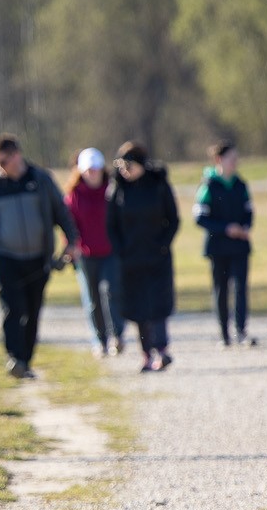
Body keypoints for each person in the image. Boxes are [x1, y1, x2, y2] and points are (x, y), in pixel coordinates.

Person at [0, 134, 78, 379]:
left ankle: (26, 360)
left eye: (3, 162)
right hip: (5, 259)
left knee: (32, 310)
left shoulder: (40, 180)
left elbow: (61, 212)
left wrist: (72, 241)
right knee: (12, 309)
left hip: (38, 260)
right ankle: (15, 358)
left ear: (17, 155)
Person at [106, 141, 179, 372]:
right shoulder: (117, 189)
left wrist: (163, 244)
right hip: (130, 258)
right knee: (138, 308)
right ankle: (146, 354)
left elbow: (173, 219)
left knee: (158, 304)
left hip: (157, 256)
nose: (125, 171)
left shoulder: (158, 184)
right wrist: (120, 249)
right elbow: (110, 225)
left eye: (129, 166)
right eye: (121, 167)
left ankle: (162, 350)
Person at [193, 141, 256, 348]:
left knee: (240, 289)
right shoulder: (208, 185)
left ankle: (241, 331)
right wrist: (226, 228)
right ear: (219, 160)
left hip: (240, 246)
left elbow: (249, 211)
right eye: (232, 159)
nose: (235, 163)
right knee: (221, 290)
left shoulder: (240, 184)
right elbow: (200, 217)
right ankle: (224, 334)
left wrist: (245, 227)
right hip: (217, 247)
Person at [65, 147, 123, 356]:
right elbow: (68, 224)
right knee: (92, 299)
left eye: (95, 169)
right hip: (85, 255)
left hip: (111, 252)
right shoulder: (74, 196)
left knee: (112, 292)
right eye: (88, 170)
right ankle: (99, 340)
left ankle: (116, 335)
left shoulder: (112, 191)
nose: (92, 174)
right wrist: (71, 246)